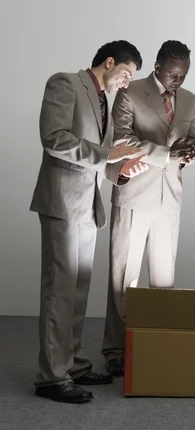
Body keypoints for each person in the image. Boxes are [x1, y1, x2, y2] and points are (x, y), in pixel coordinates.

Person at [30, 40, 148, 403]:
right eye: (126, 74)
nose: (126, 83)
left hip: (87, 205)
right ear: (109, 62)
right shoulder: (65, 83)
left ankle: (74, 364)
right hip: (62, 202)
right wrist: (108, 154)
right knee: (59, 291)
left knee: (78, 288)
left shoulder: (105, 102)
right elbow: (54, 139)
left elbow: (101, 159)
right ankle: (52, 377)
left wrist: (122, 169)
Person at [102, 39, 195, 376]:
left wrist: (189, 152)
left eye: (184, 75)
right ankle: (116, 349)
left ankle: (157, 341)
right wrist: (165, 155)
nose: (179, 82)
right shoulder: (131, 93)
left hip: (169, 198)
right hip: (134, 194)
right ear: (158, 67)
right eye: (174, 74)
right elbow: (120, 139)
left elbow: (194, 137)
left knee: (164, 279)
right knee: (123, 278)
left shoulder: (190, 100)